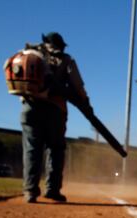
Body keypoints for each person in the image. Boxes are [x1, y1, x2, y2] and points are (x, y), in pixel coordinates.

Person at [19, 32, 88, 203]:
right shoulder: (65, 59)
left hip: (30, 107)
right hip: (55, 110)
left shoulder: (28, 54)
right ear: (60, 45)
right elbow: (77, 85)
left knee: (31, 149)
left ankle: (30, 191)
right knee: (55, 149)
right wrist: (86, 104)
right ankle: (52, 190)